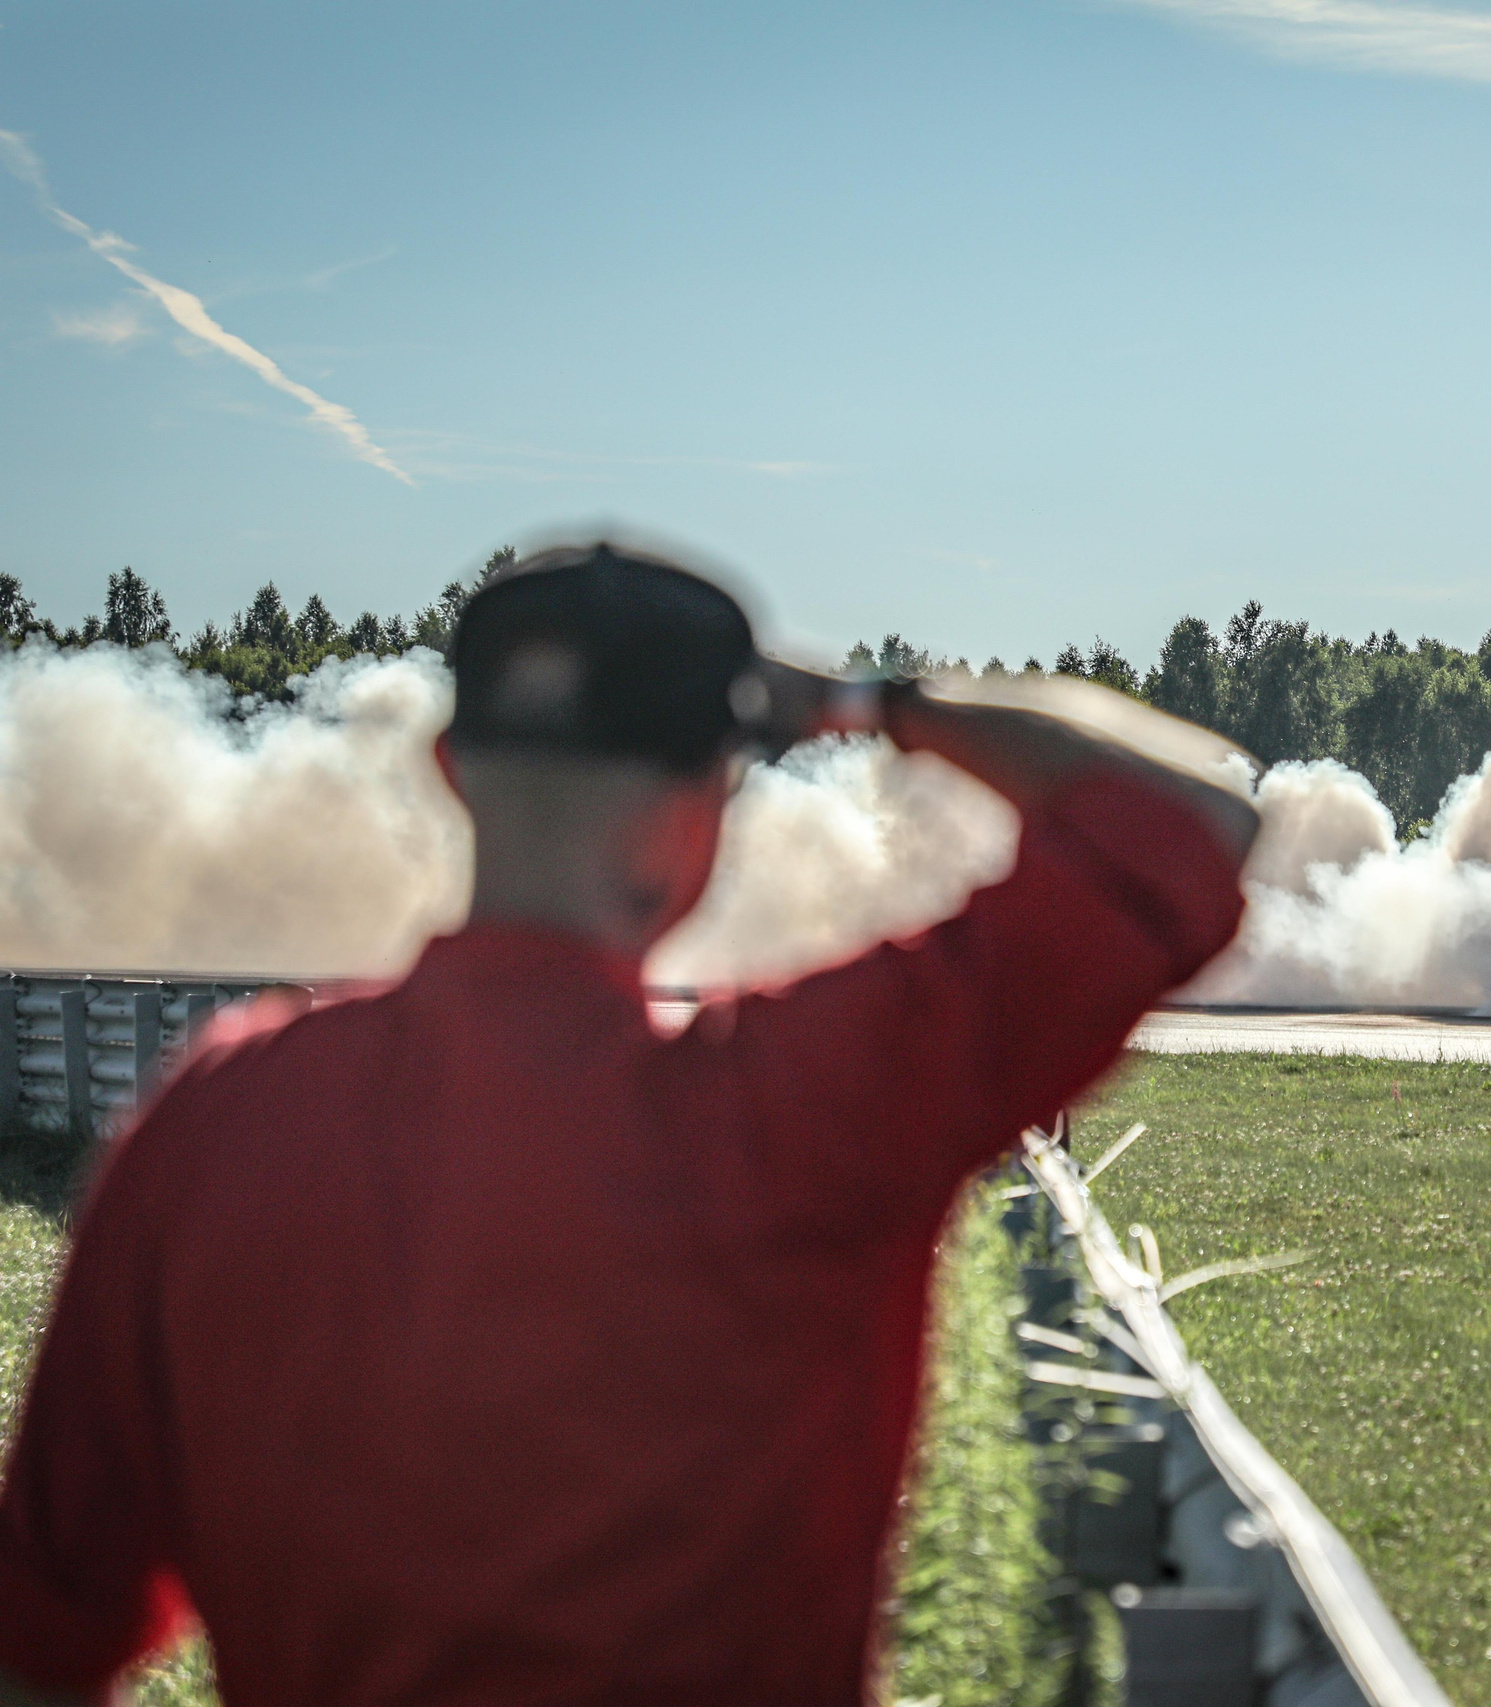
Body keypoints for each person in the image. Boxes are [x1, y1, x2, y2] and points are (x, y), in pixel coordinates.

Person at [0, 543, 1258, 1705]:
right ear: (711, 801)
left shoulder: (214, 1121)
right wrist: (867, 705)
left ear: (446, 768)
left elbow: (41, 1637)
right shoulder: (814, 1098)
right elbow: (1197, 822)